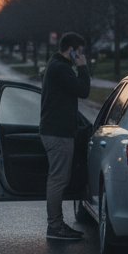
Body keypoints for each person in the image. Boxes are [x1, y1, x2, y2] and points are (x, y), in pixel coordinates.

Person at [40, 31, 90, 240]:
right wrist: (83, 67)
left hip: (57, 130)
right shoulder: (61, 68)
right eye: (79, 52)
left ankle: (57, 224)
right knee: (58, 179)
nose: (81, 55)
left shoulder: (56, 65)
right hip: (58, 133)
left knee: (59, 178)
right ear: (71, 50)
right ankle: (55, 226)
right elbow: (83, 90)